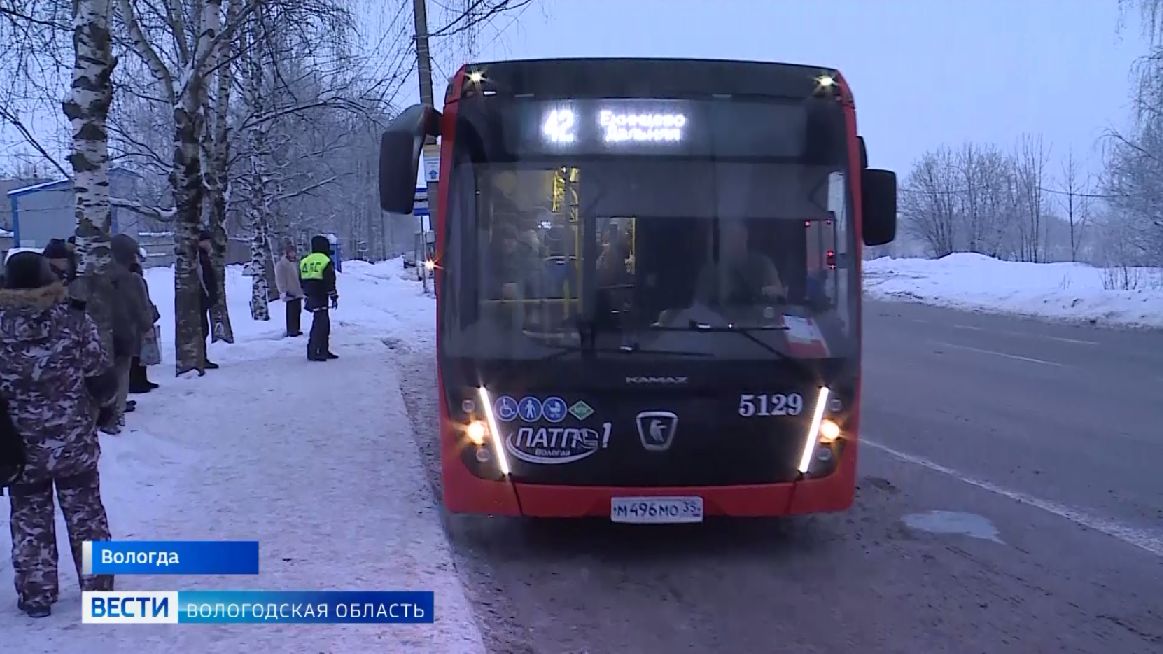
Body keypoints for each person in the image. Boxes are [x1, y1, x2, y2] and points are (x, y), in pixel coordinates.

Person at [0, 251, 117, 617]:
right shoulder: (73, 320)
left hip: (18, 447)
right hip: (73, 440)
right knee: (85, 513)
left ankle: (36, 593)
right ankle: (97, 585)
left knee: (29, 518)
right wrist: (104, 406)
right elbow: (101, 376)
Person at [108, 234, 155, 424]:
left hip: (100, 336)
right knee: (121, 374)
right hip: (124, 334)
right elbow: (139, 307)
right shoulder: (130, 279)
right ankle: (116, 414)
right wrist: (147, 326)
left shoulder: (95, 274)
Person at [691, 219, 786, 307]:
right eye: (729, 236)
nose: (735, 241)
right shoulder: (710, 271)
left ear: (746, 236)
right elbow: (699, 307)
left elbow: (777, 297)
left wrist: (764, 293)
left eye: (739, 236)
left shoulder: (763, 264)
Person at [299, 235, 338, 361]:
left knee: (320, 321)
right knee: (321, 324)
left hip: (310, 294)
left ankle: (321, 350)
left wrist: (306, 292)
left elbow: (301, 278)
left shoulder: (305, 260)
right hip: (321, 294)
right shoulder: (325, 260)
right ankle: (315, 351)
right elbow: (329, 279)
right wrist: (333, 295)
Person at [127, 251, 160, 394]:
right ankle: (136, 382)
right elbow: (140, 299)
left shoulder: (134, 274)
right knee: (136, 351)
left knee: (142, 350)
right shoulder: (131, 276)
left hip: (140, 316)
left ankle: (142, 379)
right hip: (135, 318)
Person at [197, 230, 219, 369]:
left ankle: (202, 357)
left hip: (204, 298)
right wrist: (207, 294)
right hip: (201, 298)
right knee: (202, 329)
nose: (210, 244)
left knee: (204, 329)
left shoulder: (203, 256)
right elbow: (202, 278)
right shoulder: (200, 257)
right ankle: (201, 358)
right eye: (207, 241)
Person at [273, 243, 304, 337]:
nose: (293, 254)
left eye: (294, 252)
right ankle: (291, 330)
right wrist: (283, 290)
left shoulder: (297, 263)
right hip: (289, 291)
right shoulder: (282, 264)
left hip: (297, 290)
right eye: (291, 252)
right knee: (291, 311)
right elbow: (279, 278)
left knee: (297, 310)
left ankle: (297, 328)